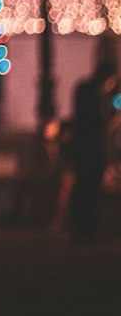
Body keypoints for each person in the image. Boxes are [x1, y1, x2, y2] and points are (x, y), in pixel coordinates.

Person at [67, 53, 114, 241]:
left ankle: (81, 227)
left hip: (81, 149)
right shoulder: (95, 94)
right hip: (91, 150)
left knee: (83, 189)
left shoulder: (83, 88)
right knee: (90, 190)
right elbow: (97, 124)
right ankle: (87, 228)